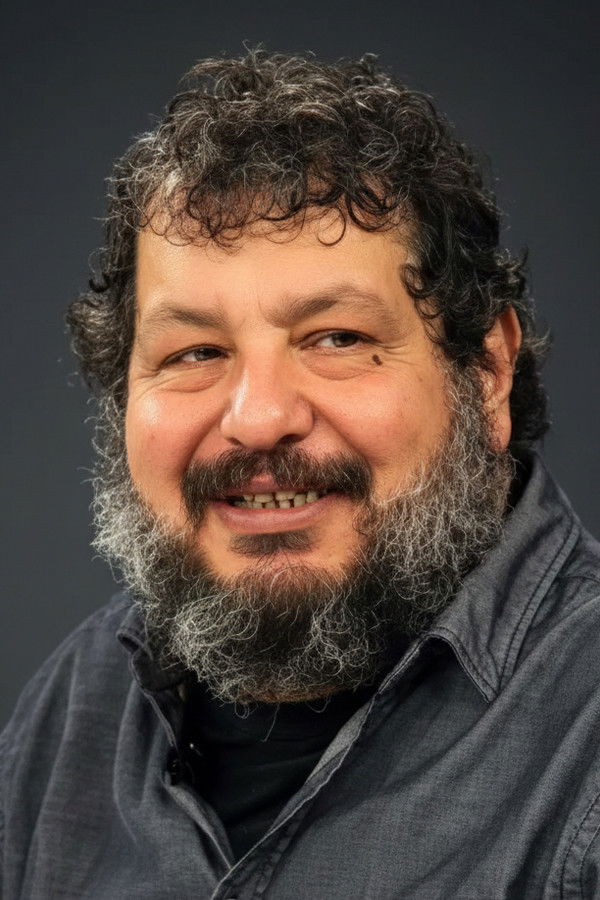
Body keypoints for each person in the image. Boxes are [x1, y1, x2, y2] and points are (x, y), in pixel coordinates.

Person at [1, 48, 599, 900]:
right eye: (194, 352)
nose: (257, 417)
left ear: (487, 372)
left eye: (337, 339)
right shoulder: (73, 714)